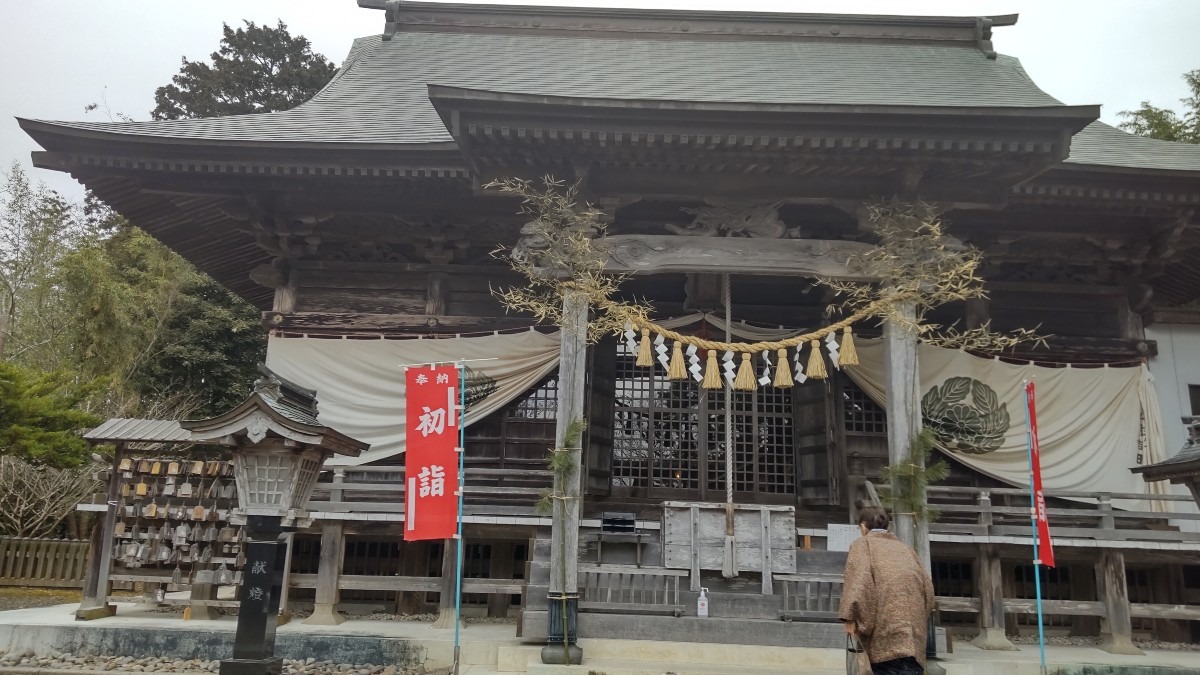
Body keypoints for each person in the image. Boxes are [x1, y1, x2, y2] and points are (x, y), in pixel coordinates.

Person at [837, 506, 935, 675]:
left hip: (885, 630)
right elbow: (928, 589)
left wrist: (850, 617)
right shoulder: (906, 549)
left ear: (862, 527)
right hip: (913, 632)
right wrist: (919, 618)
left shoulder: (863, 544)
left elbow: (859, 580)